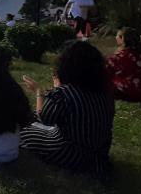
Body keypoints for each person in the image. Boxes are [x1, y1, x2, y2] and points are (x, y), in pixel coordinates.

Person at [19, 41, 115, 175]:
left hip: (71, 154)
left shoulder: (64, 93)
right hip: (98, 155)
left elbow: (44, 118)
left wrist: (39, 92)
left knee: (24, 130)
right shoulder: (104, 92)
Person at [107, 27, 141, 102]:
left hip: (128, 93)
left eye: (117, 36)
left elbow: (106, 76)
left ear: (122, 39)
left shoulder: (117, 57)